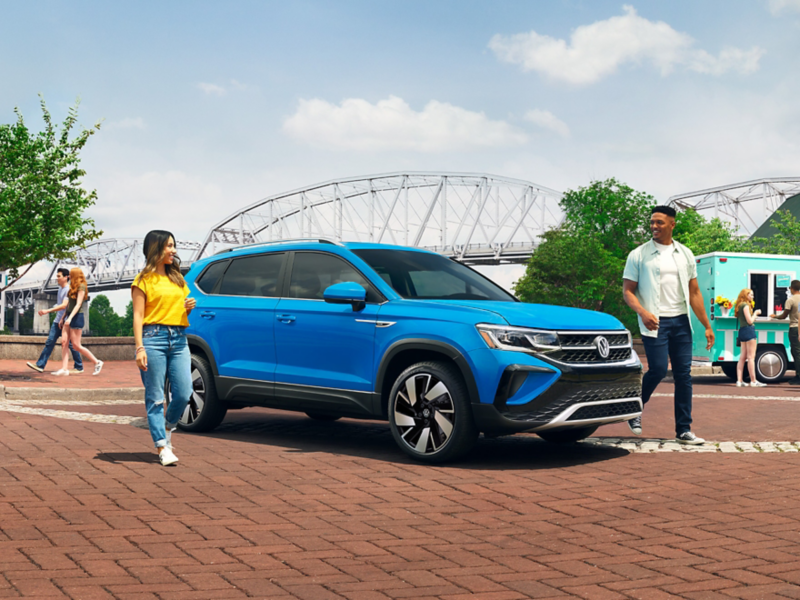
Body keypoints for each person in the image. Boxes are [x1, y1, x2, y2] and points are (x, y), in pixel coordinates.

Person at [622, 205, 715, 445]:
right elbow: (627, 292)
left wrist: (706, 325)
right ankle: (634, 408)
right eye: (652, 222)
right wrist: (643, 313)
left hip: (681, 322)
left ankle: (683, 429)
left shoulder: (684, 254)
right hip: (655, 322)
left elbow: (694, 292)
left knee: (684, 375)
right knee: (659, 369)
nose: (654, 226)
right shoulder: (639, 254)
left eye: (660, 223)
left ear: (672, 224)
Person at [132, 230, 196, 467]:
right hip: (153, 338)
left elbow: (179, 307)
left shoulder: (177, 277)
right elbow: (138, 316)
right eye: (169, 246)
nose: (174, 250)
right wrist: (140, 348)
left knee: (184, 392)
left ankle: (168, 425)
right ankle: (162, 446)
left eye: (174, 245)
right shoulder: (143, 280)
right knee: (155, 397)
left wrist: (188, 307)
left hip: (179, 338)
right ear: (155, 248)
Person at [26, 268, 83, 374]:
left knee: (71, 344)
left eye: (59, 276)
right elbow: (59, 304)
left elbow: (64, 305)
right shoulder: (60, 289)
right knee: (50, 341)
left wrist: (48, 310)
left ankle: (79, 366)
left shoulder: (68, 289)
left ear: (66, 277)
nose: (56, 278)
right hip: (58, 320)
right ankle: (40, 365)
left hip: (66, 322)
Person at [54, 268, 103, 376]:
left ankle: (97, 362)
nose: (69, 276)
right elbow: (69, 305)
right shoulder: (71, 287)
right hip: (69, 316)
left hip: (77, 317)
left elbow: (78, 304)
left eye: (71, 275)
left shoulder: (81, 286)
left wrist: (70, 318)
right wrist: (63, 317)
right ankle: (64, 369)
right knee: (64, 343)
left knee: (76, 345)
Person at [769, 279, 800, 384]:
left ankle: (798, 376)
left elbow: (784, 315)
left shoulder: (790, 300)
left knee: (796, 352)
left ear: (792, 288)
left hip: (795, 328)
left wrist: (774, 316)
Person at [735, 289, 765, 388]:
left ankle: (739, 381)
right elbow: (749, 321)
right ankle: (753, 380)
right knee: (751, 357)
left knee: (742, 358)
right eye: (751, 295)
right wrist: (755, 313)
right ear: (746, 295)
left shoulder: (739, 305)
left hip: (742, 331)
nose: (752, 296)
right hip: (749, 331)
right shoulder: (746, 306)